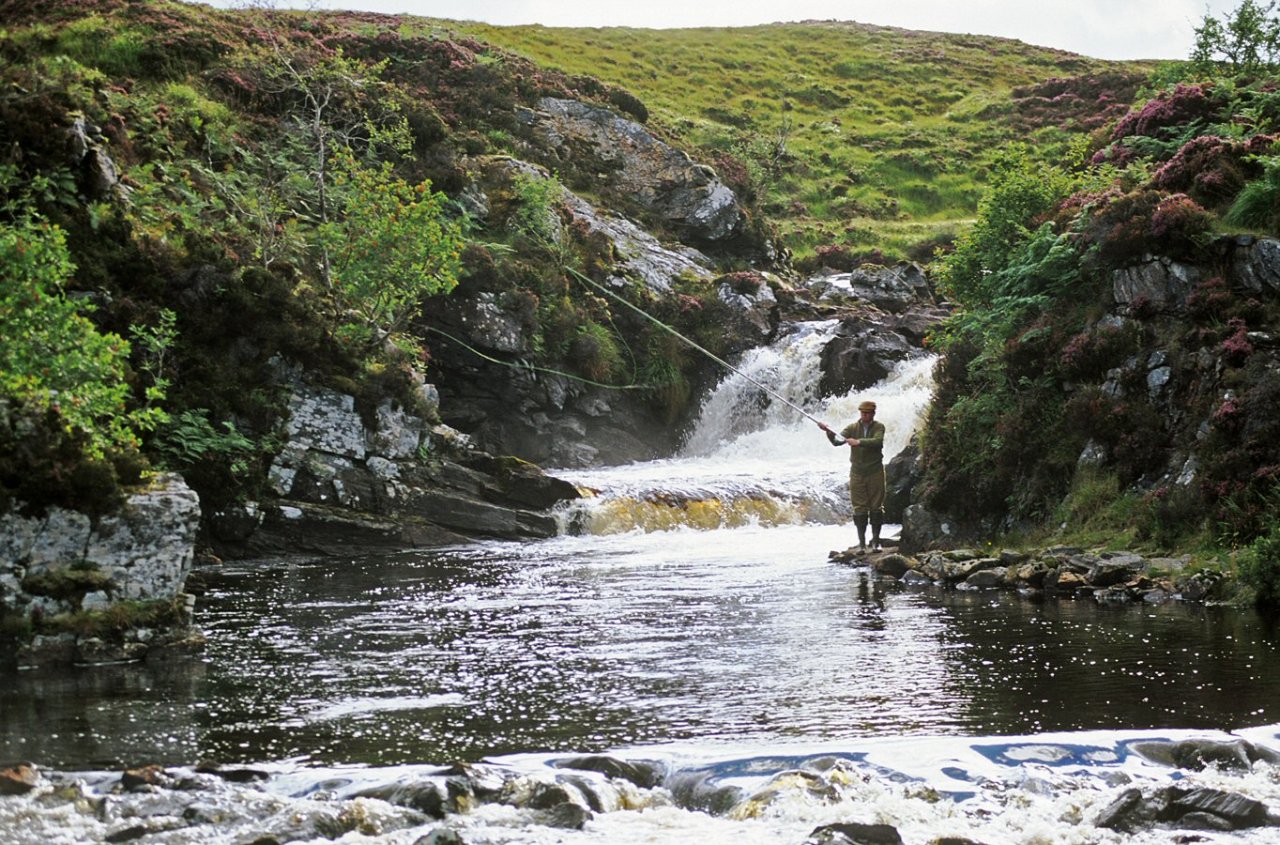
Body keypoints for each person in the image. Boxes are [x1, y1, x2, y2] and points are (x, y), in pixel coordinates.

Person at [819, 400, 886, 552]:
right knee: (859, 508)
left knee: (876, 507)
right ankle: (861, 544)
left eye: (867, 413)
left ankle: (875, 542)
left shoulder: (879, 427)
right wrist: (828, 432)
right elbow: (837, 441)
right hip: (857, 472)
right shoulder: (852, 428)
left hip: (875, 471)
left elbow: (877, 441)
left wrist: (858, 442)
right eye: (863, 413)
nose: (865, 415)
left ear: (873, 414)